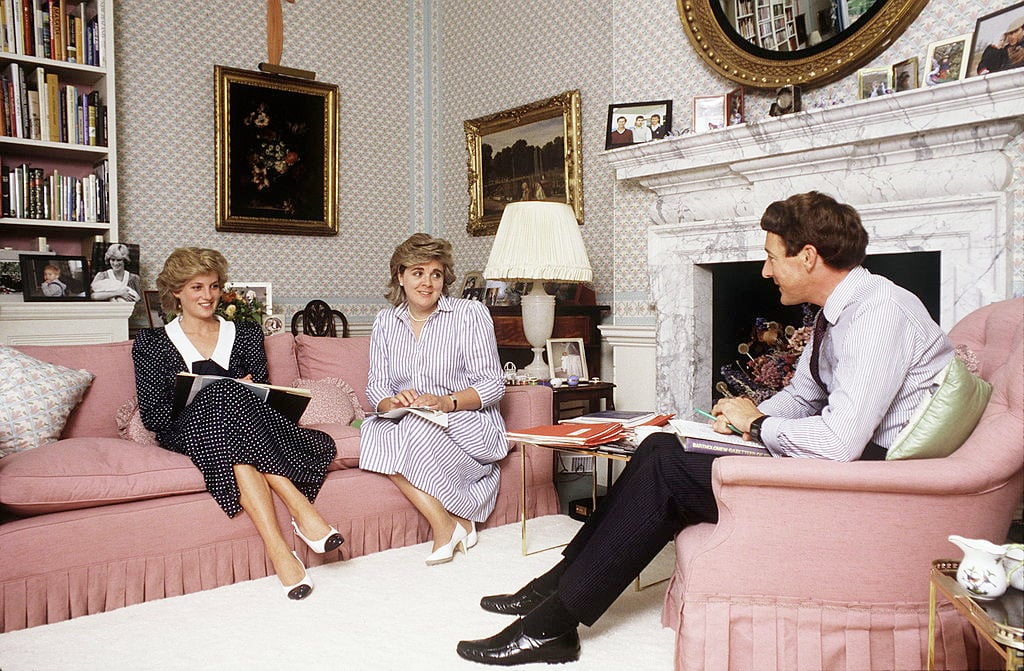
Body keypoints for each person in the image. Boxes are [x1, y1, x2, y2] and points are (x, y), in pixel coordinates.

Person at [455, 192, 953, 666]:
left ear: (807, 257)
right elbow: (804, 395)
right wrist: (738, 424)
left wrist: (759, 424)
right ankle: (557, 584)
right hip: (843, 463)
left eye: (771, 257)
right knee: (659, 446)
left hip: (865, 484)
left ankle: (553, 628)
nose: (765, 271)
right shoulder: (840, 310)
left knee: (669, 473)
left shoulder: (878, 314)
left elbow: (840, 443)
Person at [132, 247, 343, 601]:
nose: (208, 295)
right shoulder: (151, 343)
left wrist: (232, 392)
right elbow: (154, 416)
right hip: (185, 431)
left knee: (232, 423)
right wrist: (212, 393)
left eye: (214, 286)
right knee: (224, 395)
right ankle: (301, 510)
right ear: (176, 292)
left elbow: (262, 395)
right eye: (197, 287)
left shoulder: (244, 333)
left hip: (242, 428)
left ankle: (278, 550)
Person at [360, 233, 507, 566]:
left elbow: (492, 385)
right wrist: (391, 402)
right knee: (373, 430)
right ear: (400, 276)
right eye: (418, 272)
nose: (427, 282)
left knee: (413, 430)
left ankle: (449, 527)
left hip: (465, 420)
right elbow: (377, 386)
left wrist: (446, 402)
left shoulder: (469, 314)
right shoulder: (385, 321)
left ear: (444, 279)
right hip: (410, 417)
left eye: (435, 274)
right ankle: (447, 523)